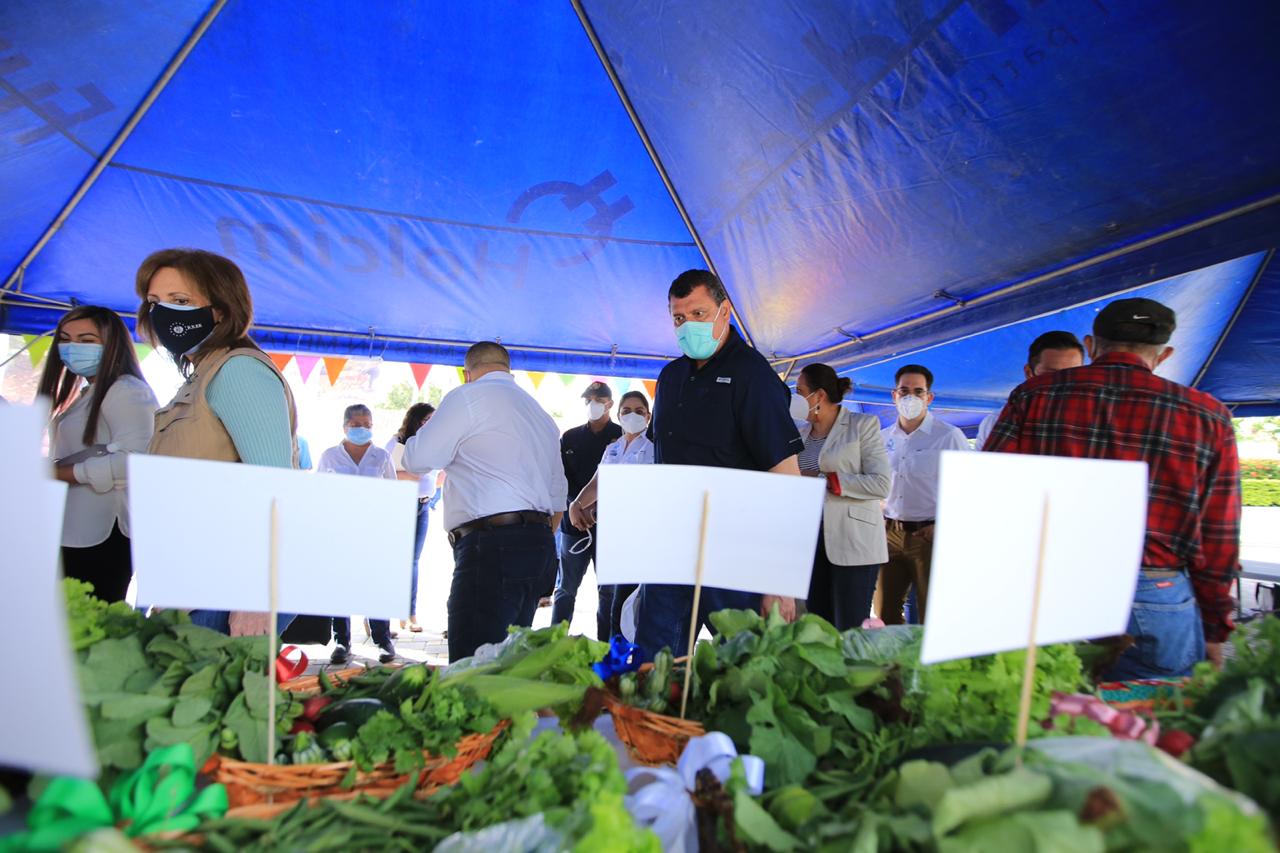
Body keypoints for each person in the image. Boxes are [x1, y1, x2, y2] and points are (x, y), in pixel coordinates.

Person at [987, 298, 1240, 678]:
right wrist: (1216, 626)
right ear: (1165, 353)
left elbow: (993, 492)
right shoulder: (1207, 415)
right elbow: (1219, 534)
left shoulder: (1034, 395)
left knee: (1048, 718)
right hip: (1154, 590)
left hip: (1052, 583)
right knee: (1144, 726)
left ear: (1090, 346)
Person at [636, 270, 804, 657]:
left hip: (738, 550)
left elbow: (785, 477)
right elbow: (656, 458)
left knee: (744, 667)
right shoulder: (670, 377)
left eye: (698, 314)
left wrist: (781, 580)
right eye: (679, 318)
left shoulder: (753, 376)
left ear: (724, 311)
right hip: (672, 546)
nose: (687, 326)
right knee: (654, 664)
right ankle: (654, 719)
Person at [136, 248, 298, 636]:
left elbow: (276, 487)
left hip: (225, 586)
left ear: (221, 310)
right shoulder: (202, 373)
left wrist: (257, 596)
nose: (164, 313)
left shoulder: (238, 370)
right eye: (155, 302)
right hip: (191, 580)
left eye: (181, 301)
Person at [403, 342, 567, 662]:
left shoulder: (467, 397)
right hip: (538, 544)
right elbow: (557, 499)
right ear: (508, 369)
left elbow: (418, 459)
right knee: (510, 661)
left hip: (492, 545)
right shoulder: (540, 414)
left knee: (473, 664)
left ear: (467, 374)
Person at [41, 306, 158, 603]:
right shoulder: (87, 392)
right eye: (65, 339)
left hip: (103, 537)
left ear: (112, 343)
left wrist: (61, 474)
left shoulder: (126, 390)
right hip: (75, 531)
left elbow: (139, 462)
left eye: (86, 340)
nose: (72, 348)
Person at [795, 363, 891, 630]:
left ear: (819, 395)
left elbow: (881, 483)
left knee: (849, 629)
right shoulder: (800, 433)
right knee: (817, 627)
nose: (796, 397)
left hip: (854, 543)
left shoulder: (862, 425)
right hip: (812, 544)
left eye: (800, 391)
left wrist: (825, 480)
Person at [876, 364, 969, 625]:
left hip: (929, 535)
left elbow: (967, 489)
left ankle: (927, 666)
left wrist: (944, 525)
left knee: (933, 615)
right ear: (894, 396)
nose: (911, 398)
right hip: (889, 534)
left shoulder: (948, 436)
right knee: (884, 614)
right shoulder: (882, 438)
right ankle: (893, 665)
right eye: (904, 391)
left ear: (929, 397)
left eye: (918, 392)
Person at [568, 390, 656, 638]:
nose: (632, 415)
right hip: (612, 537)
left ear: (648, 416)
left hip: (639, 538)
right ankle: (609, 656)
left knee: (626, 604)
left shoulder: (654, 448)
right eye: (626, 411)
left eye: (639, 411)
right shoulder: (613, 449)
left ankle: (627, 662)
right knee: (608, 601)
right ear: (618, 414)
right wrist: (577, 504)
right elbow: (598, 484)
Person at [318, 404, 397, 663]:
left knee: (375, 585)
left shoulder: (381, 457)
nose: (363, 429)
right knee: (339, 586)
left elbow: (391, 494)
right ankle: (341, 642)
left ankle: (382, 641)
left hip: (373, 531)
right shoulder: (330, 456)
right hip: (339, 530)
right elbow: (318, 492)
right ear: (345, 427)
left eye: (367, 425)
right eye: (357, 425)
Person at [552, 381, 623, 639]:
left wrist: (594, 507)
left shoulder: (621, 437)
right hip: (574, 525)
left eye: (598, 399)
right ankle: (553, 641)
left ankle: (606, 646)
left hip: (609, 527)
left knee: (608, 592)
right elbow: (560, 480)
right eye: (589, 400)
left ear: (609, 404)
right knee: (566, 589)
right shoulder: (570, 437)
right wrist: (577, 507)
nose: (593, 404)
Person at [975, 331, 1085, 449]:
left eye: (1073, 374)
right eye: (1051, 375)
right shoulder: (998, 421)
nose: (1064, 383)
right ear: (1029, 372)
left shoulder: (1096, 415)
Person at [386, 402, 439, 632]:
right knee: (396, 561)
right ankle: (386, 615)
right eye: (427, 420)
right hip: (400, 504)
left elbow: (436, 475)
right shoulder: (396, 442)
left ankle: (409, 613)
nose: (430, 425)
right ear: (416, 420)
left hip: (423, 504)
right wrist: (408, 475)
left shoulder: (435, 444)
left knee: (413, 562)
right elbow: (383, 472)